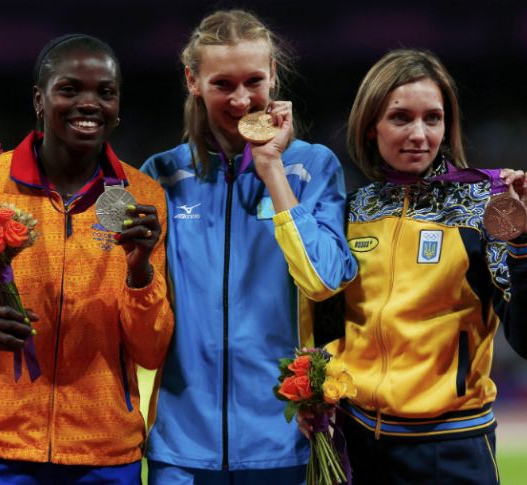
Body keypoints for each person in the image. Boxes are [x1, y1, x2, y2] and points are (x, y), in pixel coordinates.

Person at [0, 34, 174, 484]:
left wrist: (139, 271)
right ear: (40, 98)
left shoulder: (143, 199)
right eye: (70, 89)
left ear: (117, 105)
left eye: (104, 92)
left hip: (104, 453)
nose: (89, 103)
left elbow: (151, 349)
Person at [300, 48, 527, 484]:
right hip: (358, 442)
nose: (419, 134)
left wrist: (523, 241)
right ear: (369, 128)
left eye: (433, 118)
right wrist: (316, 396)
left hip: (452, 446)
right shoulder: (351, 211)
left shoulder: (485, 207)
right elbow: (329, 324)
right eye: (401, 118)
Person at [140, 9, 358, 484]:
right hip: (180, 447)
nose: (241, 100)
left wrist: (273, 171)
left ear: (274, 75)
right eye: (222, 84)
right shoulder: (161, 176)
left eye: (254, 81)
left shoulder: (311, 168)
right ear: (192, 81)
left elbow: (323, 281)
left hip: (285, 442)